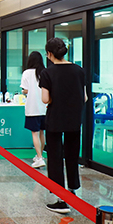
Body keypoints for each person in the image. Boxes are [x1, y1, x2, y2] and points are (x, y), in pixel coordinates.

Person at [40, 38, 87, 214]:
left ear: (49, 53)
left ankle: (60, 199)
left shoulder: (47, 72)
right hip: (74, 118)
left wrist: (56, 98)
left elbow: (45, 99)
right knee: (72, 155)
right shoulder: (79, 70)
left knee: (55, 156)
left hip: (55, 118)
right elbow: (84, 97)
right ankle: (73, 189)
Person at [21, 52, 47, 168]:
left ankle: (39, 158)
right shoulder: (44, 72)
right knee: (42, 132)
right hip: (44, 107)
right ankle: (39, 155)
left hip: (32, 107)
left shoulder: (27, 73)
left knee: (34, 133)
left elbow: (25, 90)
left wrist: (25, 91)